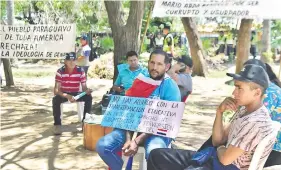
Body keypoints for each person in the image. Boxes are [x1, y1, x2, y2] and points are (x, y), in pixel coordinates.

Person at [147, 64, 275, 170]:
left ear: (257, 92)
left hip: (225, 166)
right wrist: (219, 112)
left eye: (239, 88)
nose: (233, 93)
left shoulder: (255, 122)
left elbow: (225, 159)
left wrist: (219, 148)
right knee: (156, 155)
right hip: (215, 160)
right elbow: (217, 141)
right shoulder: (244, 110)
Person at [96, 49, 181, 170]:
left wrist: (136, 141)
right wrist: (129, 139)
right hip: (131, 127)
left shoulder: (171, 87)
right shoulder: (140, 81)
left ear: (167, 67)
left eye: (159, 64)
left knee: (154, 153)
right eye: (152, 62)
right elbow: (128, 112)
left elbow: (164, 122)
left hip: (157, 132)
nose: (154, 67)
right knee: (102, 145)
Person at [52, 52, 92, 135]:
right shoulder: (60, 71)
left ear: (76, 61)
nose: (71, 62)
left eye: (73, 60)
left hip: (76, 93)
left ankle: (85, 123)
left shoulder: (80, 71)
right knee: (55, 100)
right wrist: (67, 96)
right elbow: (56, 90)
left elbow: (84, 88)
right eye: (69, 60)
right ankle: (57, 125)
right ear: (65, 62)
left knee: (89, 97)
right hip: (64, 93)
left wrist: (87, 91)